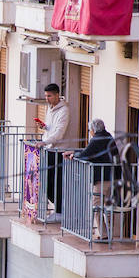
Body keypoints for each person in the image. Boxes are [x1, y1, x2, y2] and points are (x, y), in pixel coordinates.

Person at [39, 83, 77, 211]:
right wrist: (44, 127)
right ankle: (58, 207)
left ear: (56, 95)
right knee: (45, 181)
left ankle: (60, 209)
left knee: (56, 182)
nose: (47, 98)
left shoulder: (64, 110)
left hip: (59, 151)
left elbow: (59, 133)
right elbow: (52, 129)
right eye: (45, 96)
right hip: (49, 149)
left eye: (49, 96)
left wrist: (44, 142)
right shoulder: (50, 108)